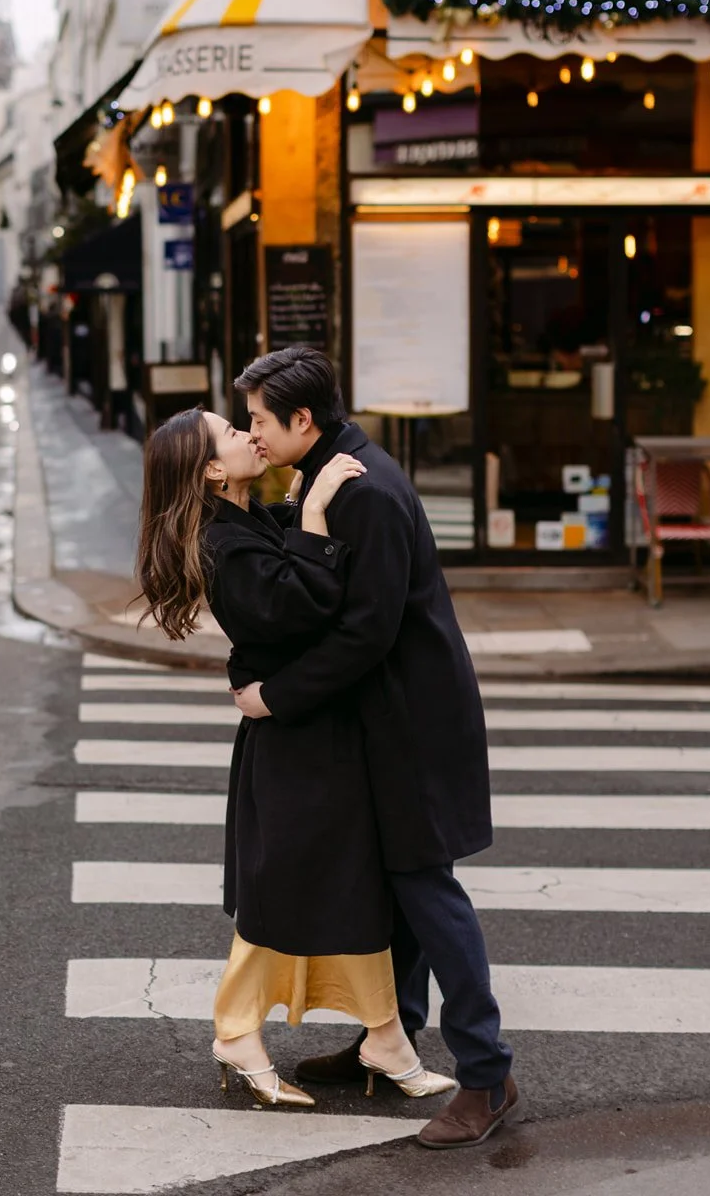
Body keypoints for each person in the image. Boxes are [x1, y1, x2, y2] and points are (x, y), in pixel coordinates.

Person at [228, 346, 519, 1150]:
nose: (250, 435)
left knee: (428, 895)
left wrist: (274, 696)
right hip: (386, 722)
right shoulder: (330, 475)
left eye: (258, 421)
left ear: (301, 421)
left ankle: (488, 1077)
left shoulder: (366, 491)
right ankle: (383, 1043)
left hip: (413, 728)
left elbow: (364, 631)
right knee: (401, 896)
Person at [137, 409, 456, 1110]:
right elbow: (301, 610)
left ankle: (384, 1036)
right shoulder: (225, 541)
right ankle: (240, 1032)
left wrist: (301, 504)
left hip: (312, 731)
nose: (252, 436)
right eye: (233, 433)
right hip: (294, 743)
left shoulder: (246, 521)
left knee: (347, 887)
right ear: (212, 471)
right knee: (283, 895)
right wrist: (312, 509)